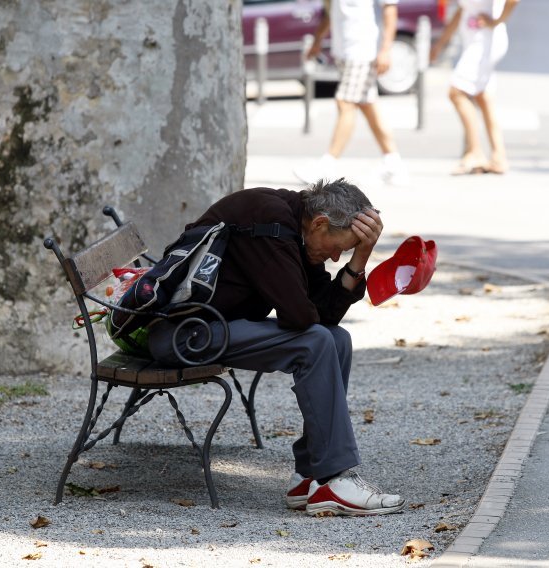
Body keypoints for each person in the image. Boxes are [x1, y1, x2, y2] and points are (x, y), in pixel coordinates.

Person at [146, 179, 406, 517]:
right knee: (316, 341)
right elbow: (300, 317)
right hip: (182, 334)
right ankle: (335, 478)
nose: (334, 256)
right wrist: (326, 293)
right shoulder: (269, 221)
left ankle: (310, 474)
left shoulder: (298, 225)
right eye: (339, 247)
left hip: (213, 326)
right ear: (320, 223)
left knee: (336, 338)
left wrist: (360, 259)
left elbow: (324, 315)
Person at [293, 0, 409, 186]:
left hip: (364, 51)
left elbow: (390, 10)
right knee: (367, 104)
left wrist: (386, 50)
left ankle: (327, 166)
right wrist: (317, 41)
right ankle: (393, 163)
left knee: (345, 102)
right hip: (344, 51)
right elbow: (330, 12)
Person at [430, 0, 519, 175]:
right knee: (482, 97)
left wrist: (497, 21)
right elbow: (462, 11)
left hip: (485, 42)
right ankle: (498, 157)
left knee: (456, 92)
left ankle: (475, 152)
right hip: (475, 41)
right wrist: (440, 43)